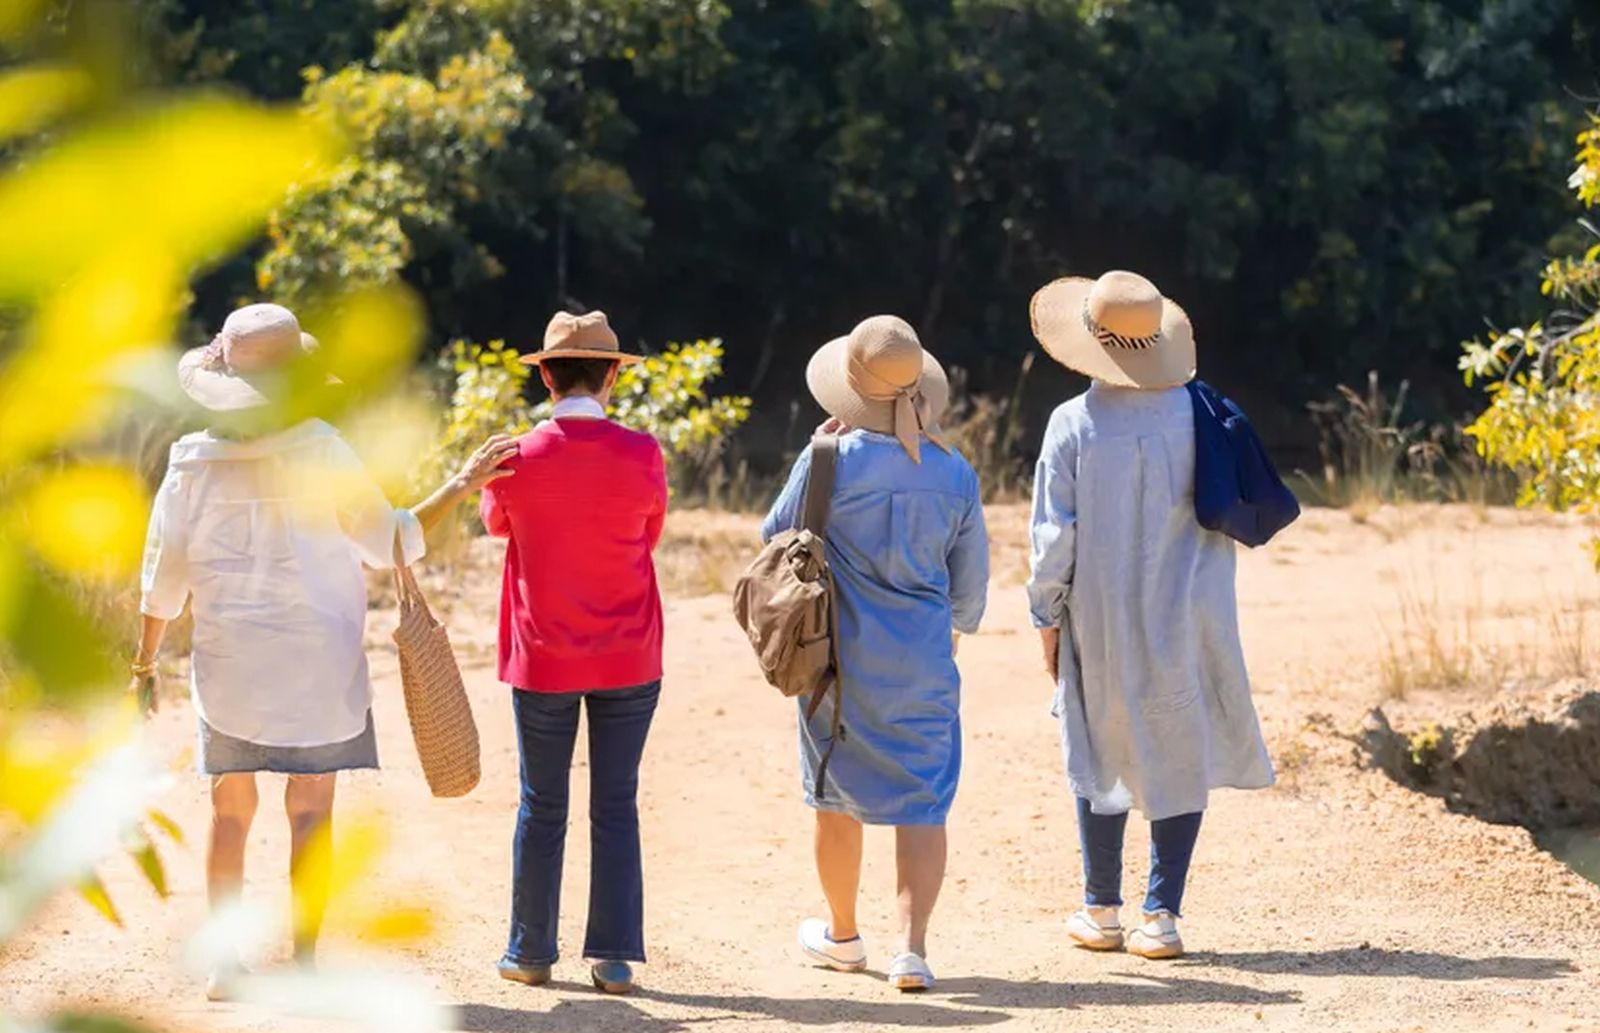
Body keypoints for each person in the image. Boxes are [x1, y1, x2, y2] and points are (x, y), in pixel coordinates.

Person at [134, 303, 516, 1000]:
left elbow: (163, 579)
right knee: (311, 812)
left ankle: (226, 966)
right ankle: (306, 963)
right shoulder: (324, 448)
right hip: (317, 668)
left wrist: (142, 663)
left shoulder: (189, 461)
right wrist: (462, 485)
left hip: (230, 668)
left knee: (229, 813)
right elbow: (390, 541)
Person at [1025, 271, 1274, 960]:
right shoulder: (1200, 415)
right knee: (1177, 744)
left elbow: (1054, 537)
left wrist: (1045, 615)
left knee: (1097, 742)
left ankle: (1100, 908)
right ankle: (1161, 914)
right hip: (1190, 605)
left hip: (1097, 611)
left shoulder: (1073, 423)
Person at [760, 315, 989, 992]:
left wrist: (815, 456)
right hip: (921, 660)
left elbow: (775, 536)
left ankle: (843, 935)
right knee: (923, 800)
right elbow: (968, 590)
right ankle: (911, 950)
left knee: (834, 795)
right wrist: (949, 628)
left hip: (837, 661)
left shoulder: (827, 458)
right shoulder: (954, 473)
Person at [481, 310, 668, 996]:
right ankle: (614, 957)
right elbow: (647, 535)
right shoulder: (643, 452)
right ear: (613, 374)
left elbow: (498, 523)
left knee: (541, 801)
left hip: (543, 655)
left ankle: (530, 949)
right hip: (629, 653)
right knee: (616, 802)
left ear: (546, 375)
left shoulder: (513, 456)